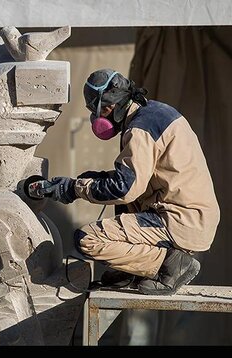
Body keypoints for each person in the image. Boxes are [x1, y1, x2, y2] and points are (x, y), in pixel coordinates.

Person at [30, 68, 220, 295]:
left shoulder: (140, 128)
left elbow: (125, 188)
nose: (96, 118)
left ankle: (170, 264)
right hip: (189, 213)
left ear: (108, 107)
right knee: (120, 204)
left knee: (87, 239)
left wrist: (74, 188)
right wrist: (88, 180)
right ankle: (133, 270)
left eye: (96, 111)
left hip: (179, 219)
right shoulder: (154, 113)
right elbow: (137, 176)